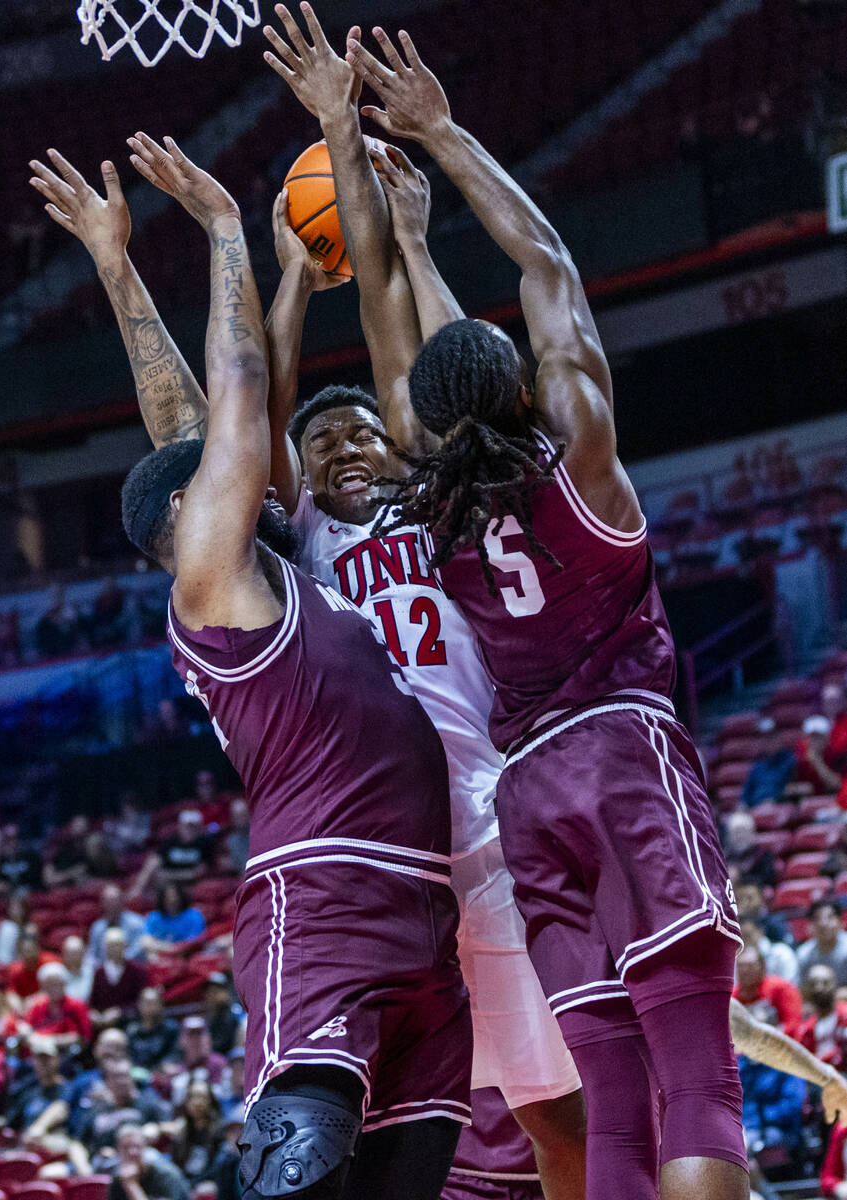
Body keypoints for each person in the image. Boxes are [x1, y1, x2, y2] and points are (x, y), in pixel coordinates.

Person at [344, 25, 745, 1200]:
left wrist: (412, 247)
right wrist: (443, 135)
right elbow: (550, 269)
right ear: (522, 385)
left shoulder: (430, 513)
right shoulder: (582, 452)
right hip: (622, 750)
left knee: (612, 1096)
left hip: (529, 796)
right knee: (697, 1073)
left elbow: (443, 393)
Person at [31, 138, 471, 1198]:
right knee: (297, 1179)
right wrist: (227, 231)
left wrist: (114, 259)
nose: (238, 471)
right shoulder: (213, 588)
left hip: (422, 907)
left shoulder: (282, 571)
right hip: (320, 894)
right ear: (184, 520)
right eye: (212, 483)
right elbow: (224, 407)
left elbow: (187, 427)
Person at [259, 12, 588, 1197]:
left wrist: (374, 196)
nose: (344, 449)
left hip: (488, 826)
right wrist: (295, 282)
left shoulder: (431, 498)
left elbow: (399, 333)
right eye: (323, 442)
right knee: (394, 1139)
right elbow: (259, 412)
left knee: (559, 1111)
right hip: (374, 856)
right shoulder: (300, 539)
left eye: (359, 434)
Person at [131, 810, 214, 897]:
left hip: (191, 884)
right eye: (187, 826)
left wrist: (169, 875)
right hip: (167, 884)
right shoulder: (169, 843)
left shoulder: (205, 845)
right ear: (180, 826)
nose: (190, 829)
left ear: (199, 828)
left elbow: (199, 872)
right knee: (153, 861)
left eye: (193, 826)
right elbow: (155, 863)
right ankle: (137, 890)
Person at [108, 1123, 191, 1200]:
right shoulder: (118, 1178)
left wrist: (131, 1185)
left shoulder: (166, 1175)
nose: (132, 1152)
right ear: (117, 1151)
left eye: (137, 1146)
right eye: (125, 1147)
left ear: (146, 1148)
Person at [733, 946, 802, 1037]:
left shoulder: (780, 988)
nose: (745, 970)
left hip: (777, 1045)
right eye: (741, 966)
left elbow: (793, 1024)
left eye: (750, 966)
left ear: (763, 968)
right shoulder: (732, 997)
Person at [24, 961, 93, 1050]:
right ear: (43, 987)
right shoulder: (37, 1006)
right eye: (49, 984)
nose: (54, 988)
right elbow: (28, 1029)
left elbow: (84, 1037)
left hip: (68, 1053)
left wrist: (48, 1041)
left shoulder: (77, 1005)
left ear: (65, 984)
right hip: (39, 1052)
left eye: (57, 984)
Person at [170, 1078, 223, 1188]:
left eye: (202, 1097)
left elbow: (217, 1167)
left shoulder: (219, 1131)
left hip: (209, 1184)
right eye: (193, 1097)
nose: (197, 1103)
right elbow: (176, 1165)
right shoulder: (181, 1132)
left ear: (210, 1101)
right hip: (185, 1183)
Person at [89, 928, 147, 1028]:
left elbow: (140, 1002)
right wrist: (93, 1013)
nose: (114, 949)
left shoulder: (136, 970)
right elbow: (93, 1001)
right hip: (103, 1024)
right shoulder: (99, 973)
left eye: (118, 945)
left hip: (129, 1023)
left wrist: (120, 1012)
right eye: (110, 945)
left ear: (125, 945)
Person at [797, 964, 847, 1070]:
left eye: (825, 983)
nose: (819, 988)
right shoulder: (806, 1029)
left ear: (835, 985)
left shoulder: (844, 1014)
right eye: (814, 984)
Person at [169, 1016, 226, 1108]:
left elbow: (223, 1096)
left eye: (199, 1034)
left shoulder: (218, 1063)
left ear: (208, 1038)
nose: (196, 1040)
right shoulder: (179, 1068)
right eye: (191, 1035)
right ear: (182, 1040)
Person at [740, 719, 798, 809]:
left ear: (779, 737)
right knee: (737, 819)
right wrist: (742, 808)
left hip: (780, 808)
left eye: (771, 737)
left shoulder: (790, 761)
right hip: (755, 810)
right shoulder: (757, 767)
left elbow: (795, 789)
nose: (767, 741)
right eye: (763, 738)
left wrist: (776, 800)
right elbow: (745, 797)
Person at [88, 884, 146, 966]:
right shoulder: (97, 927)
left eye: (114, 900)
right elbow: (92, 955)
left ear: (122, 901)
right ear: (103, 903)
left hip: (130, 970)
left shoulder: (136, 922)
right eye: (108, 901)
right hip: (104, 973)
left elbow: (138, 949)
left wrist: (117, 962)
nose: (111, 904)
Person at [127, 987, 180, 1070]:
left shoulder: (171, 1028)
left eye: (153, 1003)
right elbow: (128, 1055)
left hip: (162, 1073)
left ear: (161, 1005)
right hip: (136, 1074)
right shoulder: (132, 1030)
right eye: (146, 1003)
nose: (150, 1007)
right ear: (139, 1005)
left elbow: (174, 1054)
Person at [142, 883, 205, 953]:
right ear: (161, 899)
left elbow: (194, 941)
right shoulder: (153, 917)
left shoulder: (194, 915)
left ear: (181, 897)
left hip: (185, 955)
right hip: (159, 954)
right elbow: (146, 941)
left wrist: (175, 950)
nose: (172, 900)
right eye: (167, 897)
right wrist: (168, 949)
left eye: (175, 896)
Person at [797, 899, 847, 987]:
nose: (823, 924)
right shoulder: (803, 954)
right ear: (809, 926)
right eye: (817, 918)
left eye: (830, 917)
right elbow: (802, 990)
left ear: (841, 922)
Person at [6, 928, 59, 1009]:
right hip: (27, 1007)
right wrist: (17, 1007)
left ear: (38, 949)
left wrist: (34, 999)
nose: (28, 955)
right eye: (25, 951)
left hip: (50, 1005)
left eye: (30, 950)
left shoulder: (50, 962)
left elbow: (56, 989)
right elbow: (11, 993)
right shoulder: (16, 969)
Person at [723, 812, 776, 890]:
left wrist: (740, 876)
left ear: (752, 832)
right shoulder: (726, 857)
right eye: (736, 832)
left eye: (743, 831)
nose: (740, 836)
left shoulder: (763, 854)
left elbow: (767, 880)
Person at [739, 918, 799, 988]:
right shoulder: (737, 958)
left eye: (747, 936)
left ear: (760, 932)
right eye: (740, 938)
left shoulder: (782, 954)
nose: (744, 943)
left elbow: (789, 986)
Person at [202, 973, 240, 1057]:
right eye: (209, 991)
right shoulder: (210, 1014)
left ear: (225, 993)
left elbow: (222, 1045)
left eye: (215, 991)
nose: (211, 995)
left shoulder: (231, 1015)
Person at [62, 935, 95, 1003]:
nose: (74, 958)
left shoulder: (92, 973)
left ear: (83, 953)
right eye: (71, 954)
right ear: (64, 955)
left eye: (77, 953)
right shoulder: (58, 975)